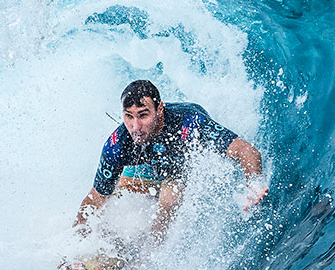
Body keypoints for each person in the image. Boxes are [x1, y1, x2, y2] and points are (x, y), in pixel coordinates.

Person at [73, 79, 267, 239]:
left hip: (178, 171)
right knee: (116, 204)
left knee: (167, 205)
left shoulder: (190, 123)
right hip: (148, 169)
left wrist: (254, 184)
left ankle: (138, 269)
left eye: (143, 115)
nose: (136, 126)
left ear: (160, 109)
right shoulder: (118, 145)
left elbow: (247, 151)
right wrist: (72, 250)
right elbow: (95, 198)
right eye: (128, 116)